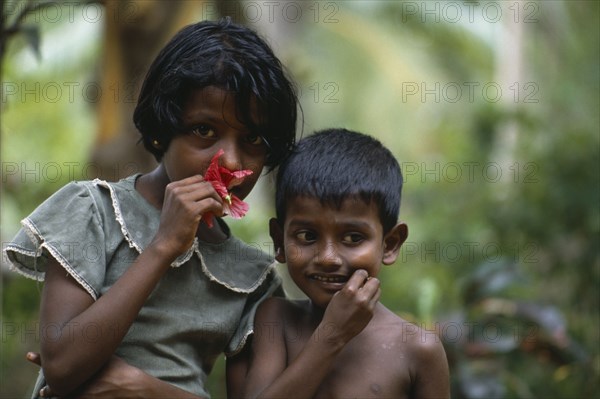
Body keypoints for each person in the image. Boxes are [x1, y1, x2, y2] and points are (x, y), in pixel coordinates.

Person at [4, 17, 298, 398]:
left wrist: (142, 388)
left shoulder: (252, 278)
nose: (229, 160)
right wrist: (163, 246)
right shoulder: (94, 211)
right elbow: (61, 367)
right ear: (162, 128)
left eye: (253, 139)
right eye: (204, 130)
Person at [243, 128, 450, 399]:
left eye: (353, 238)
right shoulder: (276, 320)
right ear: (279, 241)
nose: (328, 258)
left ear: (390, 244)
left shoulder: (418, 349)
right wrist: (332, 336)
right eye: (307, 236)